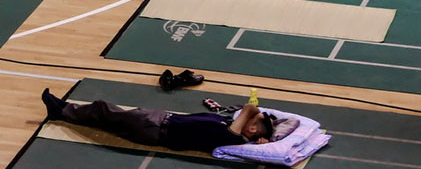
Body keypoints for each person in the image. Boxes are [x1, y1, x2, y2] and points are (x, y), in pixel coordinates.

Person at [40, 89, 274, 153]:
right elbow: (249, 113)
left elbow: (248, 108)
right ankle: (63, 110)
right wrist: (260, 124)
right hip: (159, 119)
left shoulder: (230, 137)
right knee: (108, 116)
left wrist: (256, 115)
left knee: (106, 111)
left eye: (253, 120)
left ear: (251, 128)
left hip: (154, 128)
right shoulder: (229, 128)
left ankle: (61, 111)